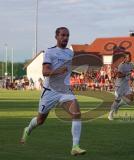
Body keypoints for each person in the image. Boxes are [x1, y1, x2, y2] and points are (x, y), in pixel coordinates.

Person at [20, 27, 86, 156]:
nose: (65, 38)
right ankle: (28, 129)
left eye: (67, 35)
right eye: (63, 35)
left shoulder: (70, 53)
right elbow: (45, 72)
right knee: (40, 121)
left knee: (77, 113)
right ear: (56, 37)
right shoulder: (50, 52)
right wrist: (58, 71)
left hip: (64, 90)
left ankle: (75, 147)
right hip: (50, 91)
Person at [108, 52, 134, 120]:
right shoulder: (121, 65)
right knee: (117, 100)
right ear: (125, 58)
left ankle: (118, 106)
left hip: (126, 85)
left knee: (130, 100)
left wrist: (132, 78)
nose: (130, 58)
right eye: (128, 57)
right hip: (119, 85)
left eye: (130, 57)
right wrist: (127, 74)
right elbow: (118, 75)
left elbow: (132, 74)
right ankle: (110, 114)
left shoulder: (131, 65)